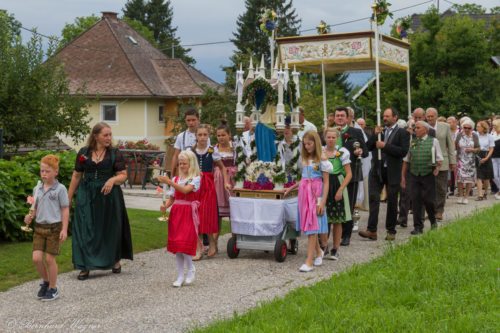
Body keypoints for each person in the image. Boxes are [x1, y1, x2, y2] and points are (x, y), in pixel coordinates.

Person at [68, 122, 133, 281]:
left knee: (109, 229)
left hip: (109, 196)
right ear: (95, 136)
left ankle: (114, 260)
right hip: (87, 194)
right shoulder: (84, 153)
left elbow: (123, 175)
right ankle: (84, 266)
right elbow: (77, 175)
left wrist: (112, 180)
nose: (109, 138)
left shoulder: (114, 153)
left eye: (110, 135)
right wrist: (68, 198)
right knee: (85, 228)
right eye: (105, 135)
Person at [359, 107, 410, 241]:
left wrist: (385, 146)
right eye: (384, 116)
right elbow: (367, 147)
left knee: (392, 200)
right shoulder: (379, 131)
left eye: (387, 116)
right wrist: (374, 135)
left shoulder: (402, 133)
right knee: (374, 198)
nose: (384, 118)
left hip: (393, 171)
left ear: (395, 117)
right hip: (377, 170)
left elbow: (403, 152)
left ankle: (391, 230)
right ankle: (371, 230)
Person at [24, 155, 69, 301]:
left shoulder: (60, 189)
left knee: (50, 260)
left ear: (56, 172)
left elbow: (65, 209)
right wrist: (29, 217)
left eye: (47, 171)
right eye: (42, 171)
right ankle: (46, 281)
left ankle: (53, 288)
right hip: (39, 228)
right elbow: (34, 207)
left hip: (54, 228)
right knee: (36, 258)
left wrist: (64, 229)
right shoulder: (37, 188)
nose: (44, 174)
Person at [284, 131, 331, 272]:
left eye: (309, 144)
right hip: (304, 195)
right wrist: (290, 188)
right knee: (309, 225)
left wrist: (322, 202)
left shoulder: (322, 159)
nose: (307, 146)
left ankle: (309, 261)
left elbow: (326, 182)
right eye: (304, 144)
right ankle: (318, 252)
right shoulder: (305, 158)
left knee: (312, 226)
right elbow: (303, 179)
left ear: (315, 143)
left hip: (316, 194)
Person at [158, 150, 201, 287]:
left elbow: (185, 190)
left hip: (188, 212)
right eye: (180, 163)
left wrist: (169, 181)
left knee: (184, 242)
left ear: (191, 164)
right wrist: (166, 206)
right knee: (177, 245)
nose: (182, 166)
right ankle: (180, 274)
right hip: (177, 213)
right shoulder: (177, 179)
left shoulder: (195, 178)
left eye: (184, 163)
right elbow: (173, 197)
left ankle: (191, 269)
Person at [192, 124, 230, 259]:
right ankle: (198, 248)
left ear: (208, 136)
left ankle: (212, 243)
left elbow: (223, 168)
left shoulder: (211, 151)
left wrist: (226, 182)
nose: (202, 137)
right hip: (194, 186)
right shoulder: (191, 151)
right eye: (200, 135)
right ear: (195, 136)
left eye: (205, 135)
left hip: (208, 185)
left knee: (206, 214)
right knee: (194, 216)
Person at [401, 121, 443, 235]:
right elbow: (406, 160)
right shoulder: (412, 142)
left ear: (425, 129)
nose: (415, 130)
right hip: (414, 175)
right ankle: (418, 227)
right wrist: (403, 177)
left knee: (429, 200)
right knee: (416, 201)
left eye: (418, 128)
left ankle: (433, 221)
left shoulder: (433, 141)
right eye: (415, 128)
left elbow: (439, 159)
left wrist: (437, 168)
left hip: (428, 174)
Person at [333, 106, 367, 246]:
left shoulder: (356, 132)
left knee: (349, 205)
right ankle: (334, 234)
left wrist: (359, 151)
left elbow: (365, 151)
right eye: (337, 115)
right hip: (333, 174)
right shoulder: (329, 132)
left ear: (347, 118)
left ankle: (346, 235)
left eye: (342, 115)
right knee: (334, 204)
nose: (340, 118)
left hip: (350, 174)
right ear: (334, 117)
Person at [322, 128, 352, 260]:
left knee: (337, 219)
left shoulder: (342, 152)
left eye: (333, 137)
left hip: (337, 183)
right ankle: (324, 246)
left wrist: (341, 189)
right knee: (323, 217)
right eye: (328, 137)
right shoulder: (321, 151)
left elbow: (349, 174)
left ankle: (335, 248)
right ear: (325, 138)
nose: (331, 140)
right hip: (324, 184)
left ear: (337, 138)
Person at [425, 108, 456, 221]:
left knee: (441, 188)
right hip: (427, 161)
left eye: (432, 116)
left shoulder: (445, 126)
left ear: (436, 116)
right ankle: (431, 211)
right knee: (429, 188)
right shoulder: (423, 126)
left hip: (442, 160)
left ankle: (439, 211)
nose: (429, 118)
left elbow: (450, 145)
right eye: (428, 116)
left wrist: (453, 161)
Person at [214, 121, 237, 246]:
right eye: (218, 135)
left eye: (223, 135)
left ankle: (235, 240)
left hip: (232, 179)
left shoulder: (235, 147)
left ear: (229, 135)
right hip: (218, 181)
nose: (221, 138)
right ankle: (215, 242)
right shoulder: (214, 148)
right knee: (218, 212)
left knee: (234, 211)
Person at [171, 109, 208, 176]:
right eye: (188, 120)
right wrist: (172, 174)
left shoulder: (205, 136)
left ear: (198, 120)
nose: (191, 123)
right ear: (185, 121)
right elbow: (176, 156)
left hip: (200, 171)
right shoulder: (181, 136)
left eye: (193, 120)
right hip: (184, 171)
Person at [455, 119, 479, 204]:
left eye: (469, 128)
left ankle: (466, 197)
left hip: (471, 161)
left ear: (472, 128)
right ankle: (460, 195)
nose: (467, 129)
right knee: (459, 179)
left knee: (469, 179)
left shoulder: (475, 136)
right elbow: (455, 146)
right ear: (462, 127)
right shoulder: (459, 135)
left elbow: (478, 148)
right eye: (465, 127)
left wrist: (472, 149)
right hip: (460, 160)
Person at [475, 121, 495, 200]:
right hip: (478, 155)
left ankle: (485, 192)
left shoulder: (489, 136)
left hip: (486, 155)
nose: (477, 128)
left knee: (486, 177)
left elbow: (491, 148)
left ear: (483, 128)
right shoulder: (476, 135)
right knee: (479, 176)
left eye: (478, 126)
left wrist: (486, 158)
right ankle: (480, 195)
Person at [446, 116, 460, 195]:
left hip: (458, 153)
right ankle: (451, 188)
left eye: (449, 122)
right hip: (449, 153)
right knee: (450, 171)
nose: (448, 124)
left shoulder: (460, 131)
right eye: (447, 122)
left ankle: (459, 188)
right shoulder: (447, 131)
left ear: (455, 122)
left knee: (457, 171)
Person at [491, 119, 500, 200]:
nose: (493, 127)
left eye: (494, 125)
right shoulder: (492, 134)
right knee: (494, 176)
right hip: (493, 157)